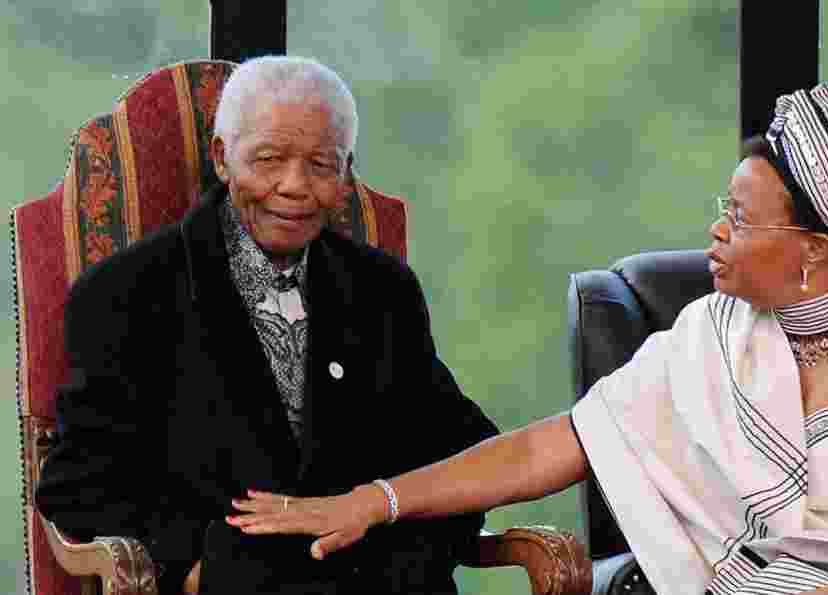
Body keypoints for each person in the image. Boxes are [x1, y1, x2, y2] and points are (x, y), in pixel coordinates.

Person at [226, 74, 828, 595]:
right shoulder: (708, 337)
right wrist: (376, 500)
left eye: (739, 217)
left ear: (811, 249)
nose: (716, 230)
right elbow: (547, 449)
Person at [35, 56, 499, 595]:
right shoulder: (129, 292)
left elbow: (466, 451)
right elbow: (79, 485)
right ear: (222, 158)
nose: (295, 186)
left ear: (346, 171)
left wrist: (405, 546)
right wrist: (195, 564)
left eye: (322, 165)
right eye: (269, 159)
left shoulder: (382, 289)